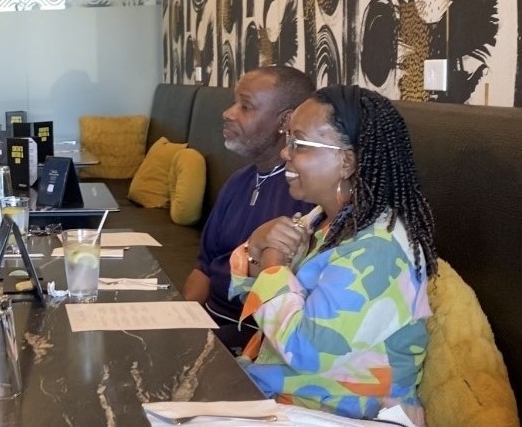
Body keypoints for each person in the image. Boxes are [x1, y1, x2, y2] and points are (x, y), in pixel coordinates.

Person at [230, 85, 436, 424]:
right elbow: (250, 300)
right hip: (277, 398)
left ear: (346, 161)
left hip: (334, 414)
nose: (285, 153)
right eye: (288, 139)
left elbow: (306, 349)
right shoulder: (323, 222)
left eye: (299, 143)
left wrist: (271, 264)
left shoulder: (379, 249)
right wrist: (255, 247)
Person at [180, 66, 314, 353]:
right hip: (208, 323)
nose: (228, 113)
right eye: (233, 103)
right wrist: (177, 321)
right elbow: (204, 268)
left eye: (245, 106)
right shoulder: (238, 182)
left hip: (254, 337)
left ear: (285, 121)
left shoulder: (306, 197)